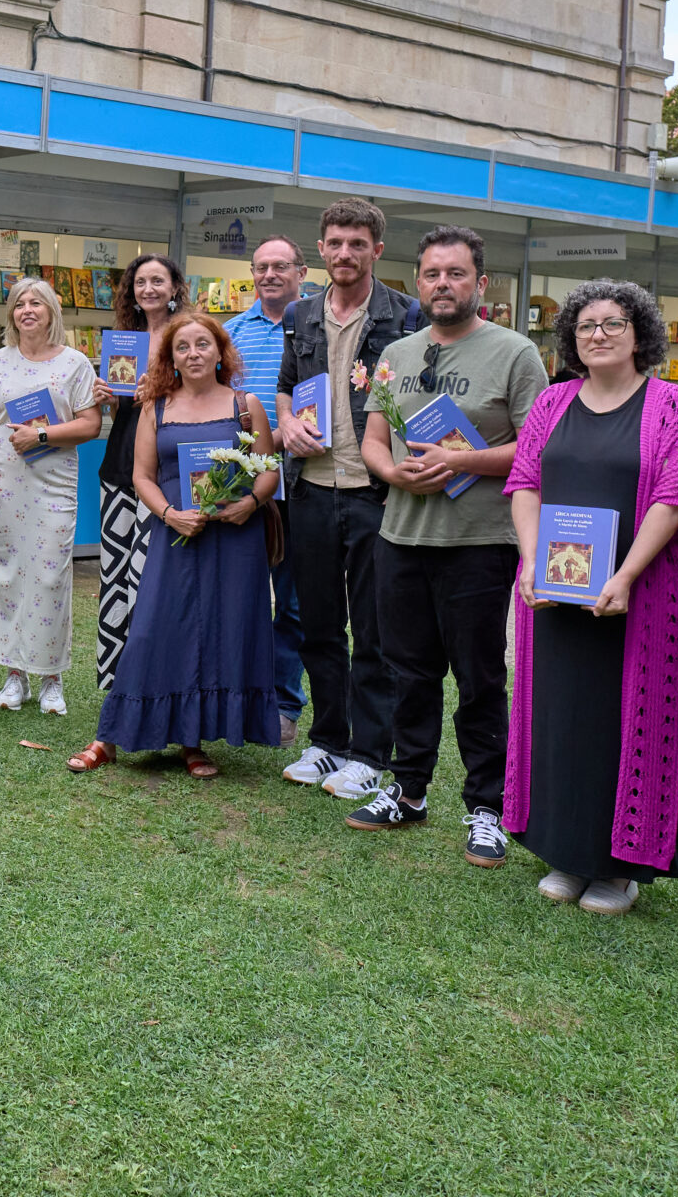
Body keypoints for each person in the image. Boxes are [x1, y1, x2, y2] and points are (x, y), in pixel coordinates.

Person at [506, 280, 678, 918]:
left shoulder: (673, 406)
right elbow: (525, 482)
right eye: (587, 324)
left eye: (613, 323)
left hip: (641, 596)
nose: (598, 334)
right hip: (556, 590)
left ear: (640, 333)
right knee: (561, 716)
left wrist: (625, 575)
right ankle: (567, 852)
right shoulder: (553, 400)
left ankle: (619, 868)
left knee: (627, 719)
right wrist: (531, 558)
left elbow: (676, 498)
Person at [349, 227, 545, 865]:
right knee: (408, 672)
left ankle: (486, 806)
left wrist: (472, 463)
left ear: (480, 284)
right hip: (401, 535)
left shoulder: (515, 354)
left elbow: (536, 448)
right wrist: (391, 471)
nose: (442, 284)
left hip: (479, 542)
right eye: (432, 273)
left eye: (456, 274)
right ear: (419, 279)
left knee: (480, 677)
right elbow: (374, 438)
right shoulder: (398, 355)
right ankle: (407, 790)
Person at [70, 312, 284, 778]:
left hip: (235, 539)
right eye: (182, 347)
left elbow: (268, 469)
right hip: (174, 535)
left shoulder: (246, 405)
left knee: (221, 632)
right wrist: (169, 514)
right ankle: (108, 737)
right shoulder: (156, 406)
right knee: (154, 629)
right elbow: (140, 476)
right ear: (171, 357)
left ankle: (193, 741)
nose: (193, 353)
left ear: (220, 351)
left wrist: (250, 502)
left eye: (202, 344)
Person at [274, 198, 428, 798]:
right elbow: (287, 388)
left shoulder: (406, 317)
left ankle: (369, 751)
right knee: (317, 626)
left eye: (357, 244)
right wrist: (286, 424)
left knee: (373, 630)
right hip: (311, 489)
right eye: (335, 242)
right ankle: (327, 741)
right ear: (321, 247)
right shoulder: (300, 314)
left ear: (377, 250)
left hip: (375, 493)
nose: (344, 253)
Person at [0, 278, 101, 714]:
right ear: (11, 314)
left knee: (49, 575)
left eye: (37, 303)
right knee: (6, 575)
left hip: (53, 483)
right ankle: (14, 676)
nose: (28, 310)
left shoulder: (76, 364)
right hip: (4, 482)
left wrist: (42, 433)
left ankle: (51, 678)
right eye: (20, 304)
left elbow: (89, 425)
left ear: (51, 312)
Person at [220, 236, 310, 732]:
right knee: (239, 599)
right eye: (261, 267)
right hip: (244, 488)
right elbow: (219, 409)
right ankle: (237, 697)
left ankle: (284, 705)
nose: (270, 274)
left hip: (301, 486)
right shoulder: (229, 334)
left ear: (301, 270)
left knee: (293, 605)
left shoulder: (317, 326)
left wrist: (275, 438)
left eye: (281, 266)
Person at [92, 254, 185, 688]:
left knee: (153, 576)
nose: (148, 289)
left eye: (157, 281)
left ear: (174, 288)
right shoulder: (123, 339)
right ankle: (115, 679)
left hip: (165, 469)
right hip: (119, 465)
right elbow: (119, 409)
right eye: (140, 282)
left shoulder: (187, 336)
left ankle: (154, 676)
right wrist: (107, 396)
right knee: (113, 574)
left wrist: (161, 388)